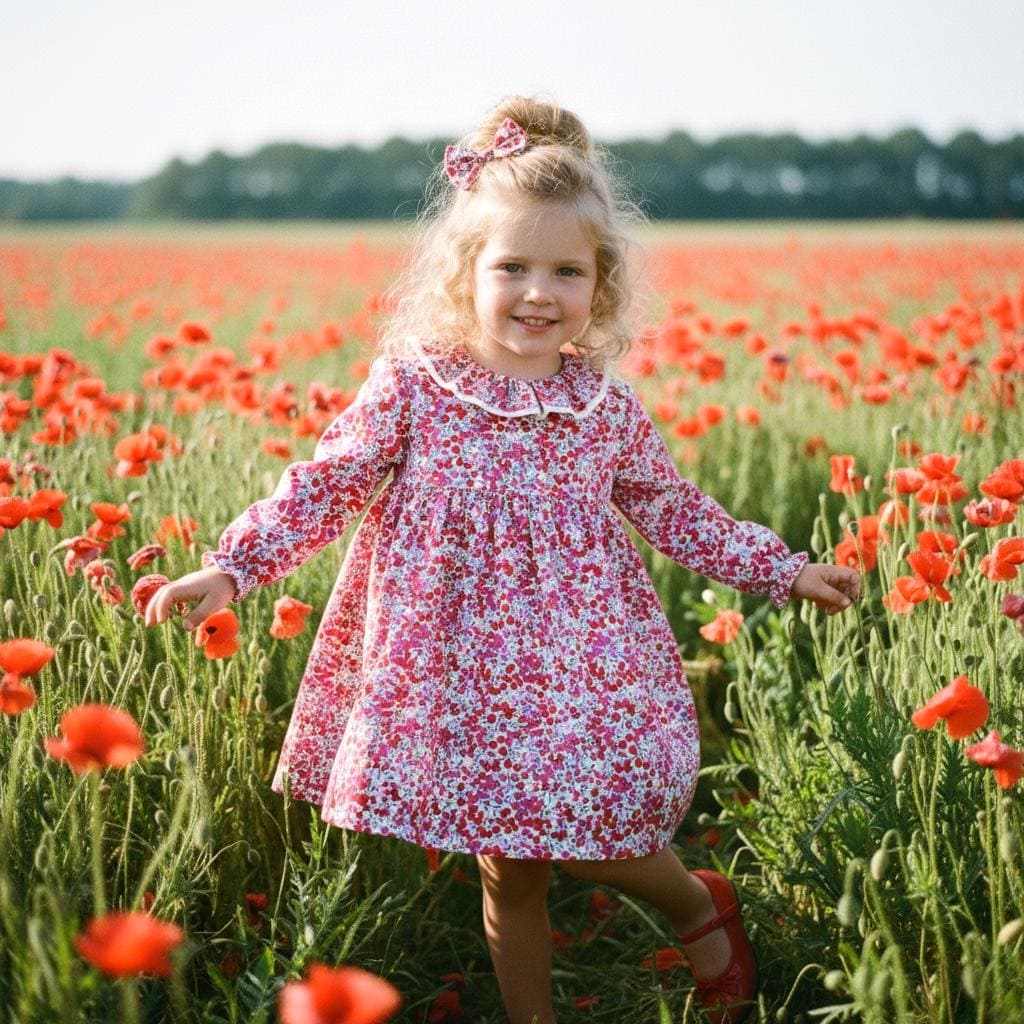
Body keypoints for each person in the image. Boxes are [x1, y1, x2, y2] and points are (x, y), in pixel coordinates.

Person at [145, 96, 861, 1024]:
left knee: (587, 831)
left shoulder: (600, 410)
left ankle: (693, 902)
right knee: (508, 863)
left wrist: (780, 568)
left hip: (574, 666)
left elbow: (674, 510)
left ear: (598, 288)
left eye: (566, 271)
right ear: (464, 274)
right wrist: (233, 567)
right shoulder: (414, 383)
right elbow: (326, 484)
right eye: (512, 266)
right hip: (456, 671)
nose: (537, 291)